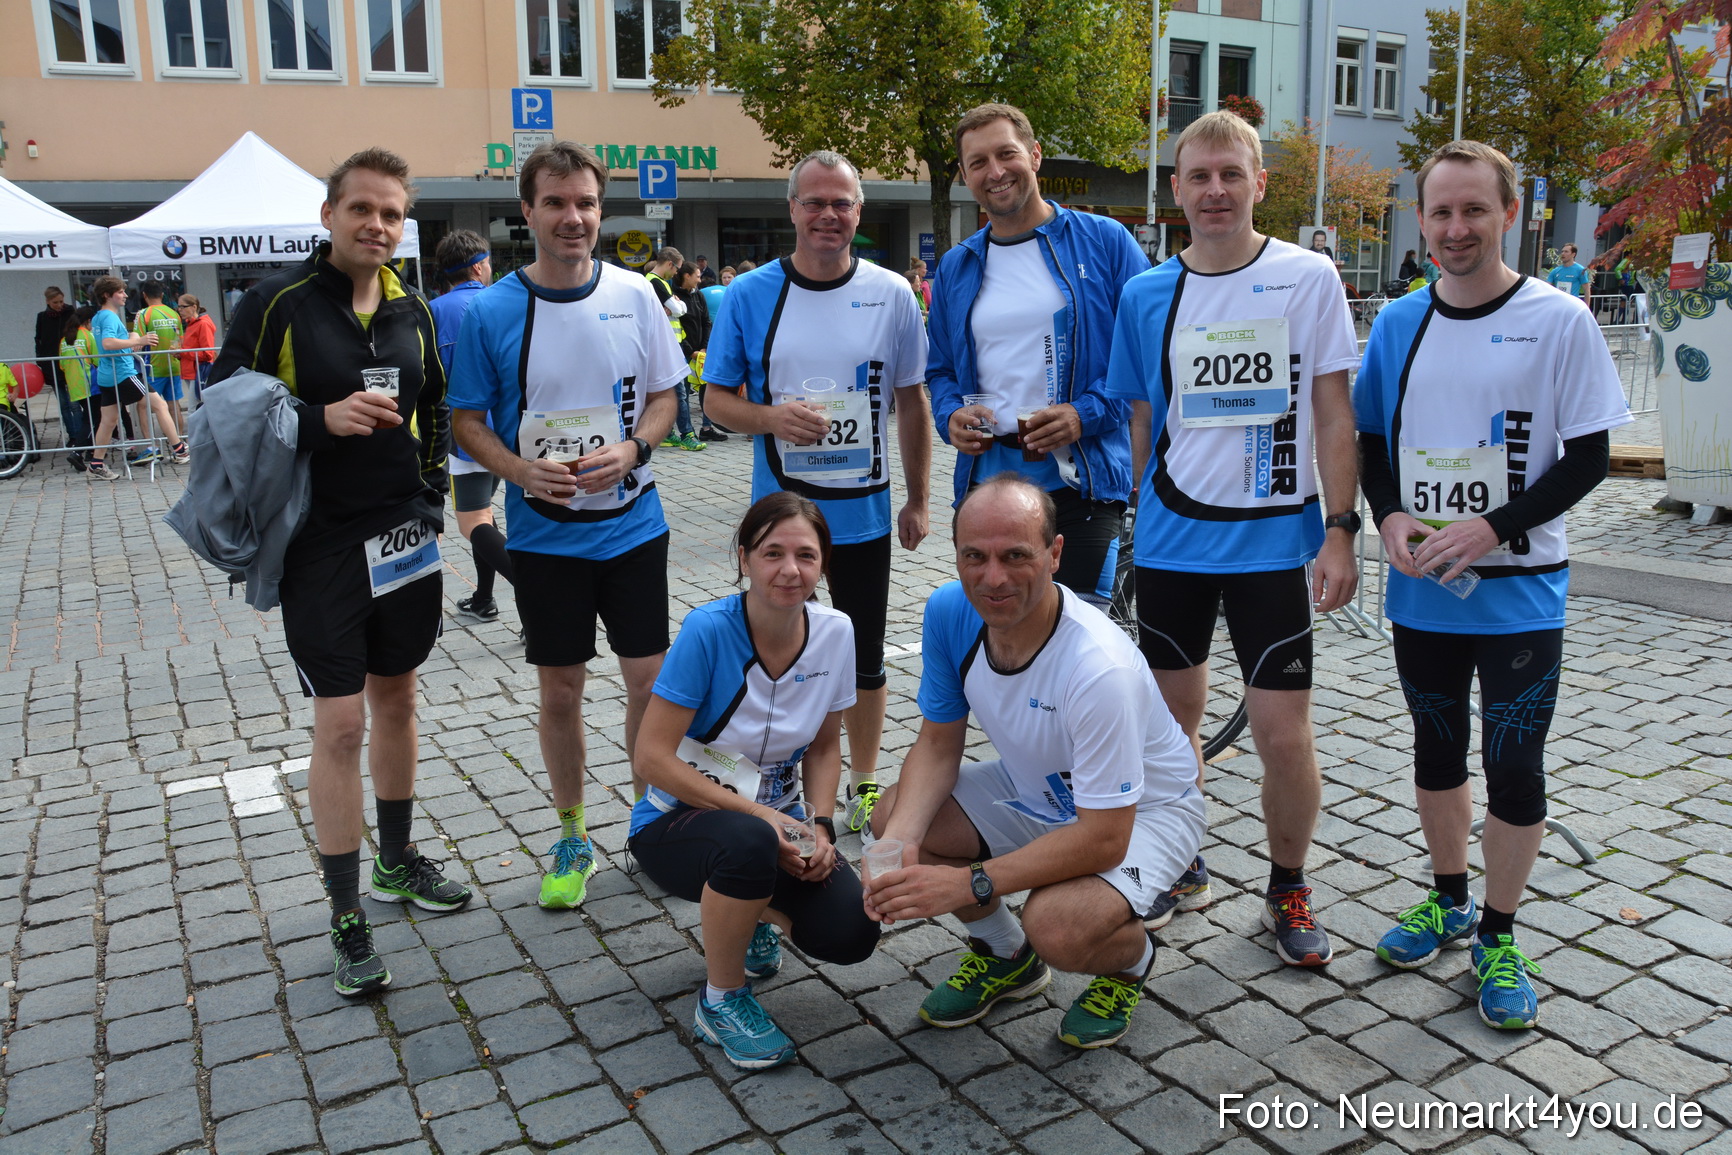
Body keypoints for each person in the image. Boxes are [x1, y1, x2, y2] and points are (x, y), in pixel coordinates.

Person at [1355, 140, 1631, 1030]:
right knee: (1435, 752)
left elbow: (1591, 455)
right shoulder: (1399, 323)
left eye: (1474, 210)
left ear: (1509, 213)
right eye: (1439, 212)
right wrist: (1389, 515)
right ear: (1422, 219)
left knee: (1513, 763)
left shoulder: (1560, 319)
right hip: (1425, 588)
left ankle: (1500, 935)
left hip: (1520, 588)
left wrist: (1495, 526)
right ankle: (1448, 899)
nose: (1455, 228)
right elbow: (1369, 442)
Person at [1103, 110, 1361, 965]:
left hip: (1272, 550)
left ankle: (1288, 884)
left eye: (1230, 174)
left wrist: (1339, 530)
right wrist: (1140, 522)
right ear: (1176, 190)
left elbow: (1332, 412)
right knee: (1172, 729)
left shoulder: (1307, 276)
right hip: (1174, 544)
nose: (1215, 190)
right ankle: (1180, 858)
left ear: (1259, 183)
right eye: (1198, 176)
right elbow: (1144, 417)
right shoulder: (1145, 292)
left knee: (1284, 734)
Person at [210, 147, 468, 997]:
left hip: (404, 538)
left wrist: (431, 494)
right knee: (342, 723)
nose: (376, 225)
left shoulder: (414, 309)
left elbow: (435, 407)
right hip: (319, 543)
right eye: (361, 209)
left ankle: (397, 861)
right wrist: (320, 420)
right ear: (329, 215)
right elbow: (222, 411)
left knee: (397, 697)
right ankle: (346, 910)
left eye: (391, 214)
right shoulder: (275, 303)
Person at [866, 475, 1204, 1048]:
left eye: (1015, 556)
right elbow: (938, 744)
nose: (991, 578)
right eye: (974, 556)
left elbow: (1102, 839)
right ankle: (1007, 955)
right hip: (1042, 790)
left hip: (1146, 812)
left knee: (1057, 926)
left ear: (1055, 553)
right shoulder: (951, 611)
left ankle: (1131, 962)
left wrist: (967, 884)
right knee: (895, 816)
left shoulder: (1099, 668)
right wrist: (894, 851)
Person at [449, 141, 683, 911]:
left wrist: (635, 446)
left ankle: (651, 821)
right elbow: (467, 421)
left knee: (649, 682)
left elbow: (664, 398)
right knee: (560, 690)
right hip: (546, 539)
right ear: (528, 212)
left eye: (585, 202)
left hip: (633, 527)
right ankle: (573, 830)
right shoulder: (491, 309)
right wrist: (517, 471)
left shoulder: (638, 293)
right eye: (555, 203)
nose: (573, 217)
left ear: (599, 208)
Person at [703, 149, 932, 840]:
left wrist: (919, 498)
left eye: (842, 203)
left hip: (861, 513)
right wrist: (770, 417)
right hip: (784, 515)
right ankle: (770, 781)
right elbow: (714, 401)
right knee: (774, 652)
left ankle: (862, 784)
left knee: (862, 655)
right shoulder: (750, 294)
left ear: (859, 212)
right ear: (792, 210)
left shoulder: (892, 292)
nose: (828, 214)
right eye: (815, 202)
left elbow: (912, 401)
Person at [630, 493, 880, 1068]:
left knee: (851, 931)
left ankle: (753, 913)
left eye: (806, 555)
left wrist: (817, 825)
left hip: (779, 824)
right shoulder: (708, 629)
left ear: (823, 565)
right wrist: (767, 820)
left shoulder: (836, 631)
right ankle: (720, 1000)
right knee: (747, 842)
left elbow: (822, 742)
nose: (790, 571)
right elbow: (651, 756)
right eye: (772, 553)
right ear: (744, 558)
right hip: (676, 822)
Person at [928, 102, 1143, 619]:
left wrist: (1083, 414)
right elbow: (939, 372)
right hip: (988, 484)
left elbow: (1148, 359)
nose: (995, 172)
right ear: (964, 175)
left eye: (1007, 154)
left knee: (1080, 637)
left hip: (1081, 482)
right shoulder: (958, 266)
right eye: (977, 162)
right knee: (1001, 630)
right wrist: (949, 414)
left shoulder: (1107, 241)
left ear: (1036, 155)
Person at [430, 228, 516, 624]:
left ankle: (534, 591)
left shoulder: (433, 311)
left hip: (466, 436)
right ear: (479, 265)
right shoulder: (506, 300)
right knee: (485, 516)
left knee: (473, 521)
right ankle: (484, 597)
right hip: (515, 430)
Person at [86, 276, 190, 480]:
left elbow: (117, 341)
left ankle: (96, 463)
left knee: (108, 420)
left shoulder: (99, 316)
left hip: (108, 375)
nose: (125, 295)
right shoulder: (109, 316)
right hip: (123, 373)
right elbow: (107, 344)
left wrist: (134, 338)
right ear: (107, 295)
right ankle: (180, 449)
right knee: (159, 404)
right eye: (120, 292)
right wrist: (140, 339)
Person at [660, 261, 709, 453]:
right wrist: (691, 351)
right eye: (697, 275)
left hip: (700, 353)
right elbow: (678, 327)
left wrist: (704, 347)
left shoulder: (699, 295)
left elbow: (706, 322)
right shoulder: (673, 295)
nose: (700, 279)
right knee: (682, 394)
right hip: (682, 352)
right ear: (687, 276)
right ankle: (685, 434)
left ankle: (705, 427)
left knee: (700, 388)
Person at [35, 286, 85, 470]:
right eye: (55, 303)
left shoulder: (71, 312)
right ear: (48, 302)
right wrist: (41, 360)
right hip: (52, 366)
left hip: (70, 364)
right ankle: (72, 436)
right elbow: (38, 339)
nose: (59, 305)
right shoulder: (42, 317)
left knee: (74, 403)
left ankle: (81, 437)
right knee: (63, 404)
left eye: (61, 302)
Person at [134, 282, 187, 441]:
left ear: (144, 296)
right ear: (162, 295)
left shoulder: (143, 314)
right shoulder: (174, 313)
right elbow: (179, 340)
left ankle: (151, 446)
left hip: (152, 368)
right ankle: (179, 442)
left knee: (143, 406)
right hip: (173, 366)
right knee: (173, 404)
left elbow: (137, 342)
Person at [58, 307, 99, 463]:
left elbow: (62, 364)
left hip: (74, 385)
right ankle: (78, 452)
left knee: (89, 418)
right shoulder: (88, 336)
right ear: (88, 321)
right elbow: (97, 360)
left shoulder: (64, 339)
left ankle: (90, 452)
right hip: (90, 383)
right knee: (93, 420)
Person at [696, 270, 732, 442]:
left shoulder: (699, 295)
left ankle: (707, 426)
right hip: (728, 339)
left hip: (708, 344)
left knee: (708, 384)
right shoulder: (729, 291)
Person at [174, 295, 216, 405]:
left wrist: (183, 353)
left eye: (183, 307)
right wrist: (181, 354)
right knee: (198, 406)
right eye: (179, 307)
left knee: (194, 408)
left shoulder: (203, 324)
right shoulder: (192, 324)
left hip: (198, 372)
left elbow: (207, 353)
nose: (180, 310)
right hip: (191, 371)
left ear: (194, 307)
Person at [1545, 242, 1592, 306]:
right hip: (1558, 305)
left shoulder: (1580, 270)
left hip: (1572, 305)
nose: (1563, 254)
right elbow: (1547, 288)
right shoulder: (1555, 271)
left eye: (1566, 252)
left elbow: (1587, 290)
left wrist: (1587, 308)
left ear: (1573, 254)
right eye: (1562, 251)